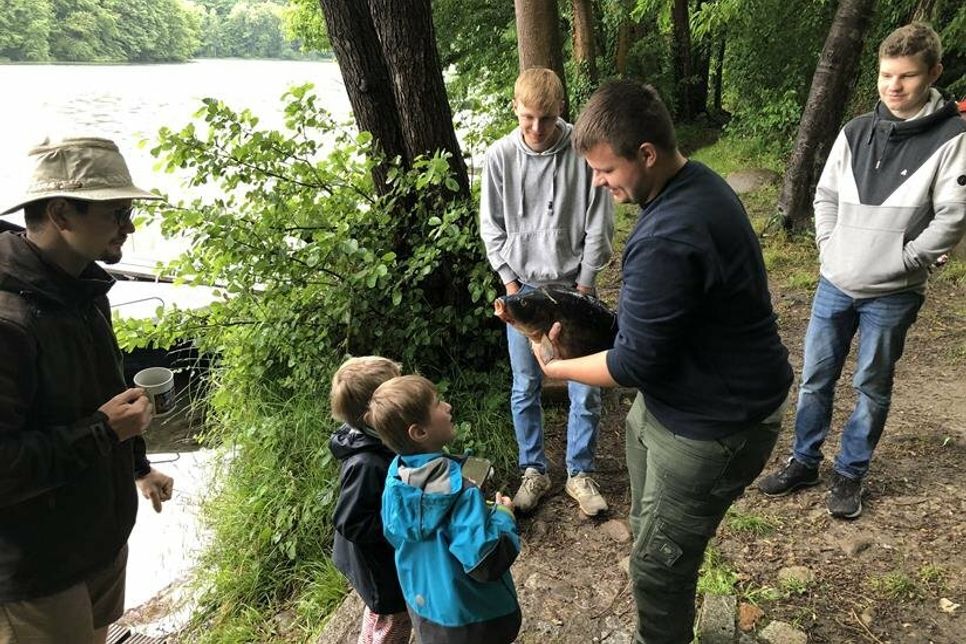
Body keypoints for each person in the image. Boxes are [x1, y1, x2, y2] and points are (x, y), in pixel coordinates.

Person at [535, 79, 793, 643]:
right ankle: (660, 555)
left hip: (716, 424)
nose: (599, 185)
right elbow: (653, 332)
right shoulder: (694, 182)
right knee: (650, 522)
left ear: (646, 154)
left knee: (657, 567)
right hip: (675, 399)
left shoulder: (671, 235)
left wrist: (555, 370)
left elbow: (631, 367)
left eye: (605, 171)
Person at [758, 22, 966, 519]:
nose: (894, 86)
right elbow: (825, 195)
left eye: (907, 76)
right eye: (886, 74)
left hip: (893, 291)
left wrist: (906, 260)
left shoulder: (952, 138)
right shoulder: (855, 131)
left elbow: (954, 214)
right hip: (836, 280)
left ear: (933, 73)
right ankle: (804, 460)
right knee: (815, 379)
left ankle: (850, 472)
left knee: (872, 384)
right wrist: (828, 248)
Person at [0, 137, 174, 644]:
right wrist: (102, 431)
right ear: (61, 213)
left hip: (97, 541)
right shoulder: (8, 321)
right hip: (38, 570)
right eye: (118, 212)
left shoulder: (82, 287)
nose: (131, 226)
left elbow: (102, 395)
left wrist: (138, 466)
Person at [479, 67, 615, 516]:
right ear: (515, 109)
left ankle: (580, 472)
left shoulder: (581, 151)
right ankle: (533, 471)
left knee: (585, 387)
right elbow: (491, 227)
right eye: (528, 118)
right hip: (524, 286)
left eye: (547, 118)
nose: (537, 129)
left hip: (575, 283)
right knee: (525, 386)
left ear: (561, 110)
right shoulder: (499, 157)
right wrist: (512, 286)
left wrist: (586, 282)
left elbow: (599, 220)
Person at [366, 375, 521, 644]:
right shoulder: (461, 492)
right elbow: (485, 561)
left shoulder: (394, 482)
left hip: (426, 612)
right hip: (476, 619)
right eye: (437, 403)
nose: (448, 406)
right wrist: (503, 516)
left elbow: (395, 534)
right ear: (419, 432)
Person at [328, 356, 412, 644]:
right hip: (379, 568)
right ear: (372, 415)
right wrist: (399, 520)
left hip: (381, 562)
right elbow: (349, 521)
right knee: (392, 621)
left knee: (381, 616)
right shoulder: (366, 463)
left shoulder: (379, 439)